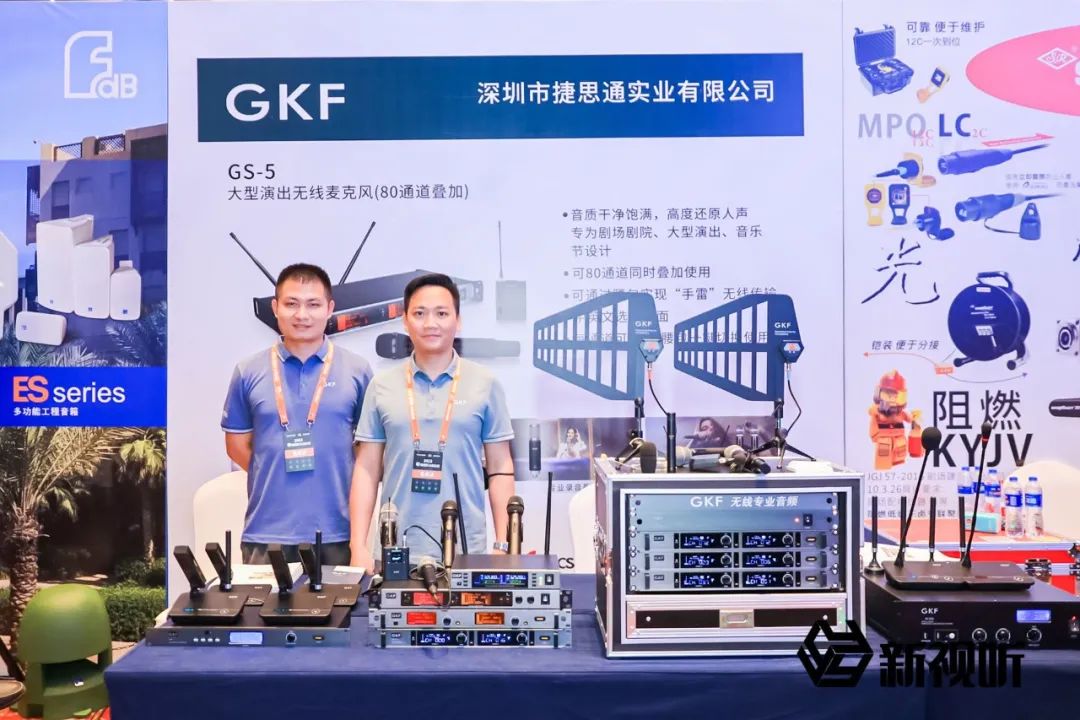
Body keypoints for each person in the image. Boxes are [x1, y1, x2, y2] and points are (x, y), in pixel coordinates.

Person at [349, 274, 515, 567]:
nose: (430, 323)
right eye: (419, 314)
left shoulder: (485, 383)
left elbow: (500, 467)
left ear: (458, 321)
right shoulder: (382, 385)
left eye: (441, 313)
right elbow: (366, 469)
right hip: (394, 548)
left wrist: (503, 544)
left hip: (466, 549)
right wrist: (358, 546)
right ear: (405, 321)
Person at [221, 263, 372, 565]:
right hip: (265, 535)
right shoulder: (248, 371)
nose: (302, 315)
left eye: (313, 304)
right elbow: (236, 446)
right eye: (291, 304)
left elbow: (368, 452)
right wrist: (274, 469)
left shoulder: (358, 371)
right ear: (275, 308)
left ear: (330, 309)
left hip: (338, 534)